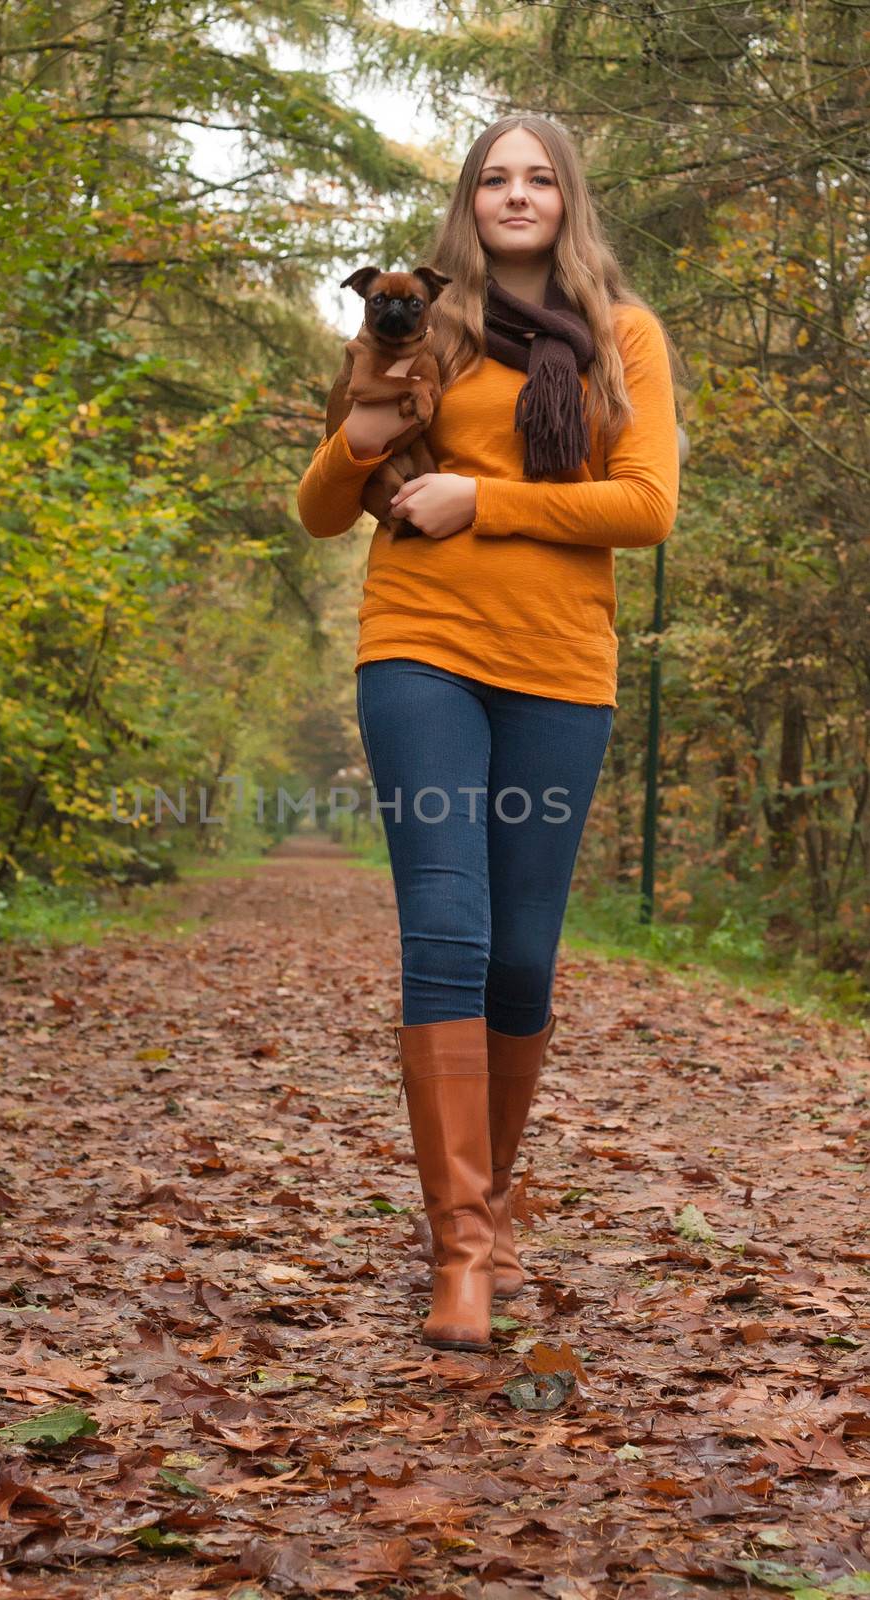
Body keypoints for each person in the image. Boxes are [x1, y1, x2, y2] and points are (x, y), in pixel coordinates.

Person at [296, 112, 685, 1354]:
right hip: (418, 653)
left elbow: (644, 506)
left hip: (560, 670)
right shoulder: (419, 324)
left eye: (538, 179)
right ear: (466, 201)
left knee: (520, 958)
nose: (515, 196)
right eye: (492, 179)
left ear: (567, 200)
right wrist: (359, 441)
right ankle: (459, 1247)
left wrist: (483, 499)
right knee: (448, 932)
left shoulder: (623, 338)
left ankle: (495, 1199)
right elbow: (319, 507)